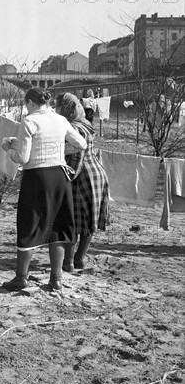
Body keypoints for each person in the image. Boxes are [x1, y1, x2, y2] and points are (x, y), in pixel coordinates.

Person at [1, 87, 87, 291]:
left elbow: (23, 158)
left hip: (37, 178)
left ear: (30, 103)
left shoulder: (29, 121)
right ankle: (56, 278)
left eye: (25, 105)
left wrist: (8, 149)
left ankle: (21, 277)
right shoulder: (60, 119)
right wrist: (57, 148)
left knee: (29, 225)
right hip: (59, 176)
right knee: (56, 226)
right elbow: (81, 144)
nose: (25, 109)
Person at [55, 93, 109, 272]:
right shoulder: (86, 124)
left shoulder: (73, 129)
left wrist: (64, 180)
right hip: (96, 175)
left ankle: (69, 262)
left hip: (82, 177)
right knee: (88, 222)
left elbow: (75, 160)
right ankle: (80, 259)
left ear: (66, 110)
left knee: (72, 222)